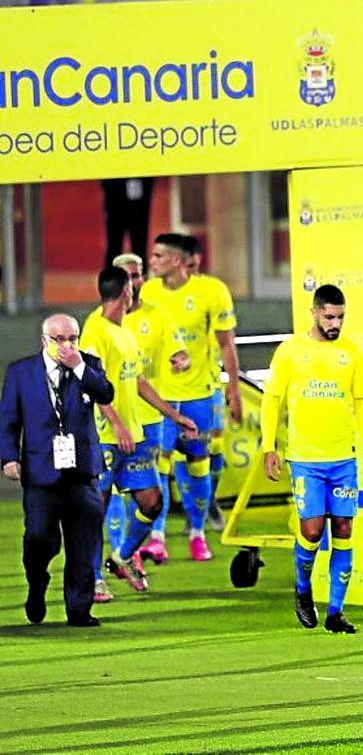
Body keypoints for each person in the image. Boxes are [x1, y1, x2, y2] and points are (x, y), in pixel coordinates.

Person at [261, 285, 363, 634]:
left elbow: (362, 404)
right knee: (311, 532)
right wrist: (269, 446)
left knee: (343, 529)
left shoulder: (351, 354)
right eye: (329, 316)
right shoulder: (291, 352)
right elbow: (272, 399)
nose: (335, 323)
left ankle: (336, 612)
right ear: (314, 312)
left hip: (343, 459)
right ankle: (302, 586)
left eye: (340, 317)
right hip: (306, 459)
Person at [81, 267, 197, 595]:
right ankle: (93, 579)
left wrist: (174, 415)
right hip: (105, 437)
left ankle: (121, 557)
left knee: (152, 503)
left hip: (133, 436)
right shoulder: (95, 332)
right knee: (96, 510)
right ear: (124, 293)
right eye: (131, 287)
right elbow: (92, 384)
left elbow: (138, 381)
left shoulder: (124, 332)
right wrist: (116, 425)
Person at [0, 315, 114, 627]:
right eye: (59, 339)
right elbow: (7, 420)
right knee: (39, 537)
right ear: (44, 341)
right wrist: (9, 457)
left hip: (82, 471)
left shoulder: (88, 366)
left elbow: (106, 393)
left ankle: (79, 609)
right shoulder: (21, 373)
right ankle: (37, 582)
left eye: (72, 339)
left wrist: (79, 366)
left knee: (84, 538)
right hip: (40, 472)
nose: (66, 346)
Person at [140, 232, 241, 561]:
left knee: (199, 465)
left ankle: (197, 532)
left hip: (200, 395)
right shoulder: (148, 292)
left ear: (177, 261)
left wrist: (234, 389)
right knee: (159, 468)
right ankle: (157, 536)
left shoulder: (211, 292)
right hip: (160, 397)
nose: (151, 262)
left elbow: (226, 342)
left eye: (157, 256)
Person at [113, 253, 189, 567]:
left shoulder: (157, 316)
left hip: (152, 417)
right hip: (115, 419)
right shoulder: (103, 322)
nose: (134, 282)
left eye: (138, 274)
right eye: (128, 276)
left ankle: (156, 541)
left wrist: (181, 360)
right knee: (117, 488)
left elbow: (179, 350)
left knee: (152, 481)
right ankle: (123, 551)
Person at [184, 237, 232, 532]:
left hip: (210, 384)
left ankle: (209, 501)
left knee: (214, 446)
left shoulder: (212, 292)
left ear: (198, 261)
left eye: (191, 263)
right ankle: (193, 515)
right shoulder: (162, 296)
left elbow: (226, 339)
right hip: (177, 389)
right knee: (185, 450)